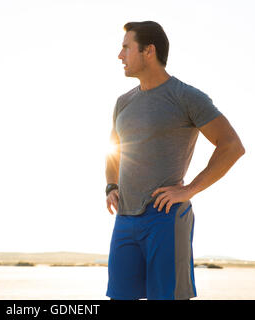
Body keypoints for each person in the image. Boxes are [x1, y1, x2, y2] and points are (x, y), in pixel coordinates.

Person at [105, 21, 245, 300]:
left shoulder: (186, 97)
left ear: (148, 51)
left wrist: (189, 189)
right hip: (124, 220)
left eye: (126, 48)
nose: (120, 55)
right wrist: (111, 186)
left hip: (165, 218)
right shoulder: (123, 102)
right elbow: (114, 151)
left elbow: (232, 146)